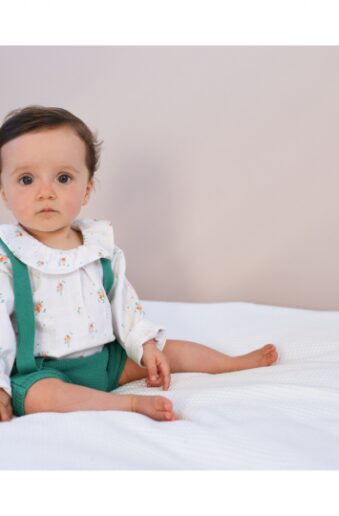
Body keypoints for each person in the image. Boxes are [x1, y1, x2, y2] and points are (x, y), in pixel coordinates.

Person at [0, 105, 278, 423]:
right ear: (4, 193)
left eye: (63, 178)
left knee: (169, 350)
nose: (46, 192)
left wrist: (146, 346)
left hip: (107, 361)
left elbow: (124, 305)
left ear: (87, 189)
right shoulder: (8, 256)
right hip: (42, 370)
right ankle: (128, 404)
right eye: (26, 179)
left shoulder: (99, 247)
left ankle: (231, 363)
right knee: (42, 397)